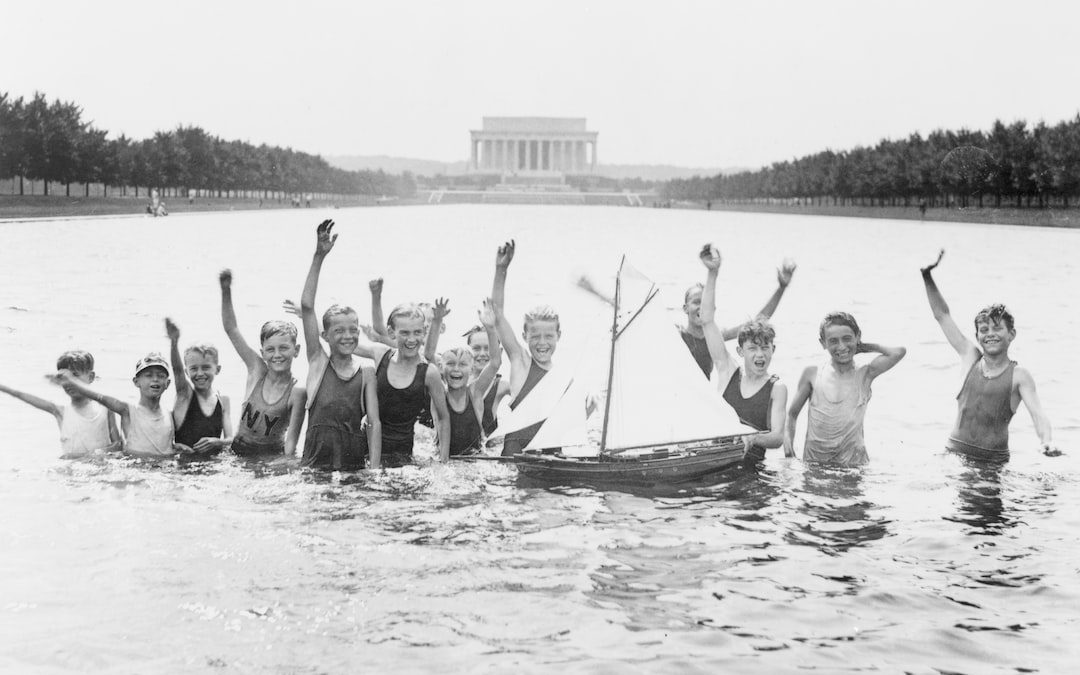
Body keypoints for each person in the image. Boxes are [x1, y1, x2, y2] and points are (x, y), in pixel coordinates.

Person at [920, 249, 1059, 460]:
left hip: (992, 463)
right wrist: (927, 276)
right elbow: (942, 315)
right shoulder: (969, 357)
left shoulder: (1019, 375)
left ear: (1011, 334)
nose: (990, 334)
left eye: (997, 329)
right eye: (984, 330)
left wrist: (1047, 442)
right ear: (977, 336)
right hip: (954, 455)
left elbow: (1038, 415)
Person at [298, 220, 381, 471]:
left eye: (353, 330)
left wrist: (375, 470)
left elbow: (374, 424)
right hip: (315, 465)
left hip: (352, 465)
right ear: (325, 335)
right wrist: (319, 256)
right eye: (339, 331)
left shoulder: (366, 373)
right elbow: (307, 307)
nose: (347, 336)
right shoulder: (317, 362)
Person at [698, 245, 789, 462]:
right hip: (713, 462)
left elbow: (777, 437)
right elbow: (707, 320)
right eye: (753, 348)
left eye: (765, 348)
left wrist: (752, 438)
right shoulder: (727, 370)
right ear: (740, 351)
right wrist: (712, 273)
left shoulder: (777, 388)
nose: (760, 355)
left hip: (752, 469)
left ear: (773, 350)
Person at [784, 312, 906, 466]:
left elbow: (898, 352)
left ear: (857, 336)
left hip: (853, 464)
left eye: (847, 339)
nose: (841, 346)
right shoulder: (813, 374)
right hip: (815, 464)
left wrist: (862, 346)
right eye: (833, 341)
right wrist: (789, 453)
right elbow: (792, 415)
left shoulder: (865, 374)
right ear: (823, 343)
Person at [220, 269, 306, 459]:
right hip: (237, 451)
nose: (277, 355)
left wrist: (284, 465)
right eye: (270, 349)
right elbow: (231, 329)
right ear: (262, 353)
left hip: (268, 456)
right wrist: (226, 290)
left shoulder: (297, 391)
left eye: (284, 348)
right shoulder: (257, 370)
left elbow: (291, 443)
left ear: (296, 350)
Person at [491, 240, 561, 456]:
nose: (542, 342)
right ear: (524, 336)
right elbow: (497, 314)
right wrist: (501, 270)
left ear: (559, 336)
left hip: (552, 451)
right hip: (517, 451)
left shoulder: (562, 374)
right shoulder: (521, 361)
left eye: (548, 336)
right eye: (535, 336)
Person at [49, 353, 185, 458]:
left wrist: (177, 447)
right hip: (137, 467)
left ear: (167, 384)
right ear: (136, 382)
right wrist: (72, 382)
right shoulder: (128, 410)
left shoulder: (169, 414)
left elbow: (165, 443)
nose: (155, 379)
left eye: (160, 376)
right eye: (148, 375)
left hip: (165, 468)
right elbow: (100, 397)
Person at [679, 257, 797, 378]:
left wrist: (781, 288)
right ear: (685, 308)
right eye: (696, 302)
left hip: (702, 395)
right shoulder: (676, 334)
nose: (702, 307)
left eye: (705, 303)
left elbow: (758, 321)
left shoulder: (716, 337)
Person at [1, 350, 120, 458]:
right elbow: (19, 394)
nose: (68, 382)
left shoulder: (105, 408)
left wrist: (94, 454)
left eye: (75, 375)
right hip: (73, 473)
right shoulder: (60, 411)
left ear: (91, 377)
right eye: (63, 378)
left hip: (101, 468)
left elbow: (118, 444)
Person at [441, 300, 502, 456]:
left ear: (469, 364)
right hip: (448, 459)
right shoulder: (439, 391)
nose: (456, 369)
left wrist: (490, 328)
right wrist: (436, 323)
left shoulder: (475, 392)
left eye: (461, 365)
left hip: (475, 458)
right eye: (452, 364)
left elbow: (495, 363)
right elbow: (426, 357)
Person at [165, 318, 232, 457]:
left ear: (217, 369)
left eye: (206, 367)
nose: (200, 373)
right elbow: (176, 369)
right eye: (194, 368)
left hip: (213, 469)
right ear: (187, 372)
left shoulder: (223, 401)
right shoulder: (185, 395)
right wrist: (174, 342)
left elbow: (230, 439)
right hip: (184, 469)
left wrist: (217, 442)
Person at [462, 323, 512, 437]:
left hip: (488, 450)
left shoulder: (501, 387)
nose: (482, 354)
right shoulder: (456, 381)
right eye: (476, 348)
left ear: (499, 352)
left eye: (488, 348)